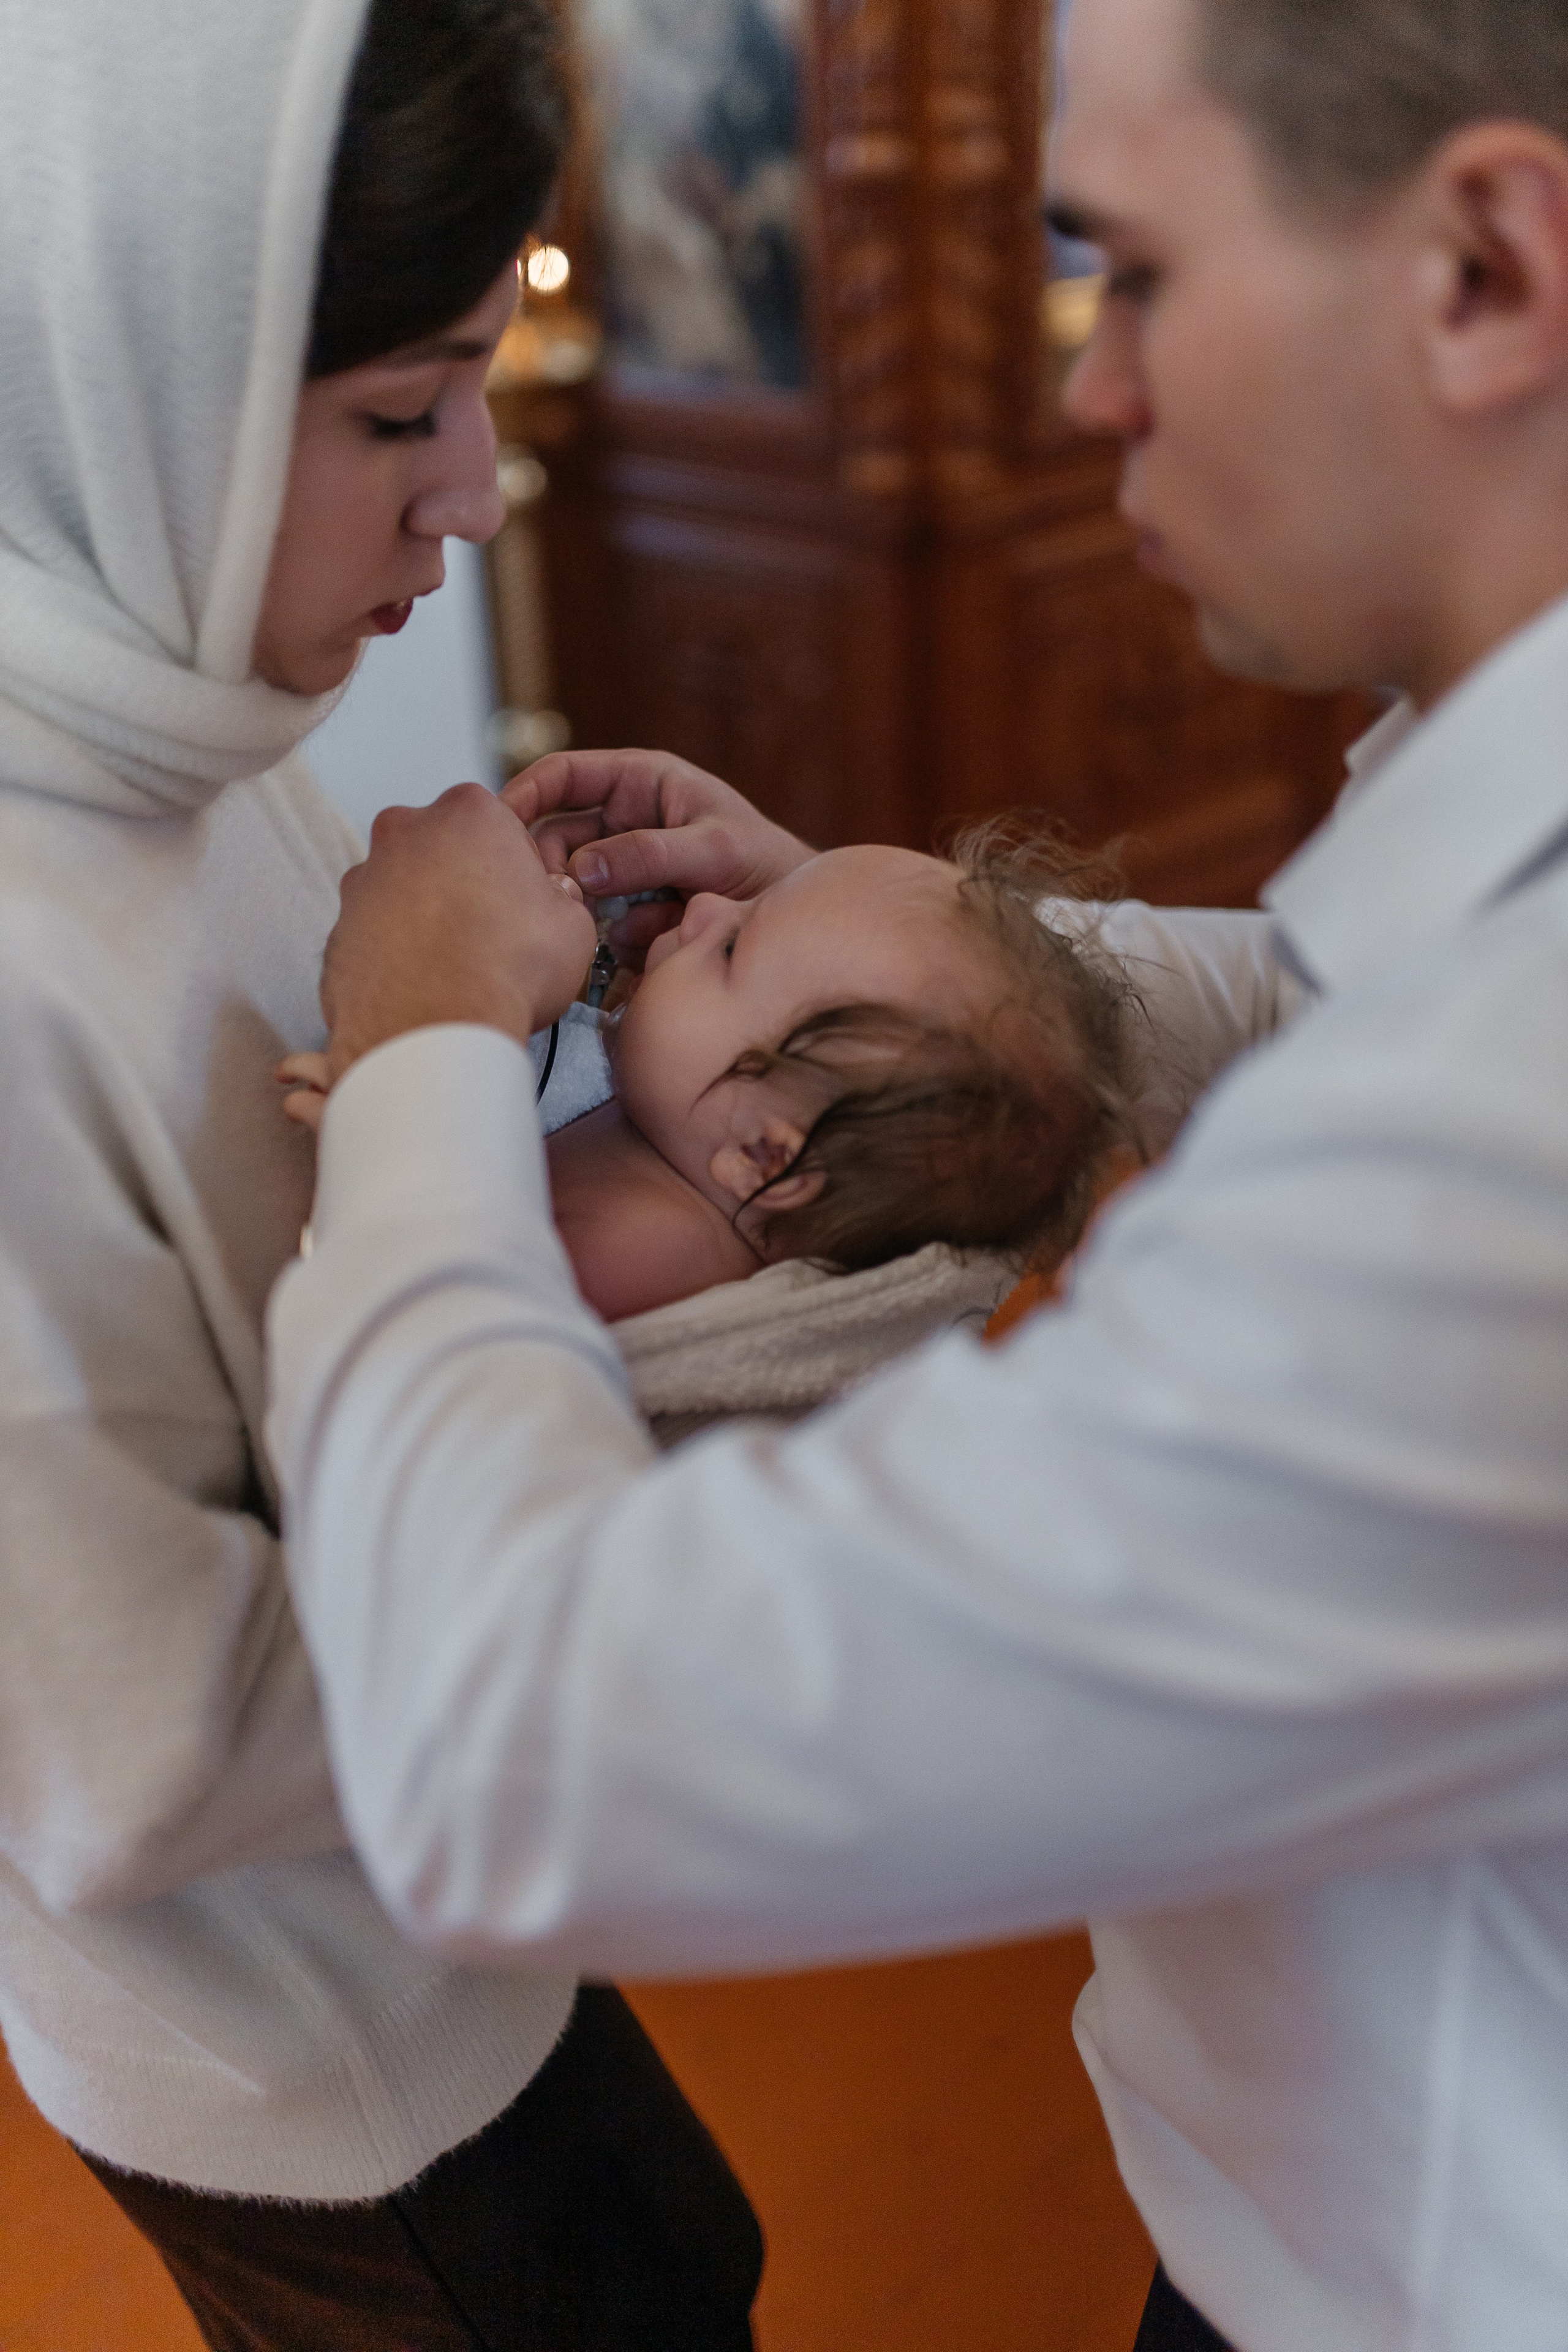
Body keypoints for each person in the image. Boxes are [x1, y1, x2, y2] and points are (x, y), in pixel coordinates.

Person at [266, 0, 1568, 2345]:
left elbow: (509, 1758)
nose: (1089, 388)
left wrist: (429, 1069)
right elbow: (1328, 990)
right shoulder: (1476, 861)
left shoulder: (1490, 1207)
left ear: (1482, 267)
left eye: (1135, 271)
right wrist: (915, 973)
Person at [0, 2, 761, 2346]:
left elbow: (301, 1215)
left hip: (429, 1941)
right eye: (390, 411)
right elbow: (119, 1762)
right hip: (320, 2064)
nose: (478, 488)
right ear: (144, 357)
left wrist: (528, 1035)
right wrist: (642, 1532)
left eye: (479, 375)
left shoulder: (190, 731)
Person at [281, 832, 1137, 1318]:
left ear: (764, 1159)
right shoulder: (670, 1135)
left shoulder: (633, 1254)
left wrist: (396, 1107)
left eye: (733, 948)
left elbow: (439, 1303)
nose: (706, 908)